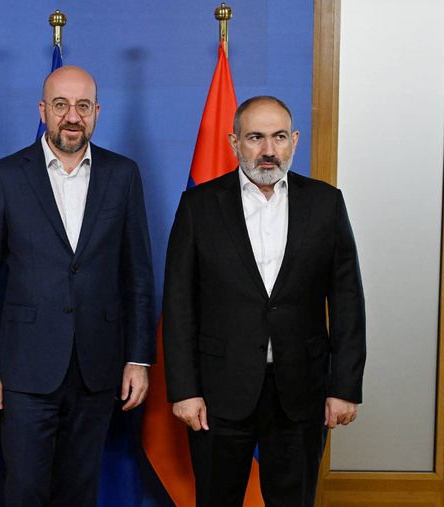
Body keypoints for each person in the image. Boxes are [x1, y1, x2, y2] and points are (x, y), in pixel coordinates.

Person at [0, 65, 156, 506]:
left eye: (83, 106)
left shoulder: (123, 174)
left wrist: (138, 359)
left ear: (96, 112)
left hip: (98, 366)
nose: (73, 116)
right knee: (25, 491)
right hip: (24, 368)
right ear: (43, 110)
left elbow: (138, 276)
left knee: (80, 491)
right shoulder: (5, 176)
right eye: (61, 105)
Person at [163, 95, 366, 506]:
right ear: (234, 143)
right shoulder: (199, 206)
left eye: (278, 137)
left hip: (301, 391)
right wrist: (184, 391)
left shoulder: (326, 203)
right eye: (255, 137)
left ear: (294, 141)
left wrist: (345, 386)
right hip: (219, 392)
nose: (268, 150)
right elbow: (179, 304)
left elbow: (347, 300)